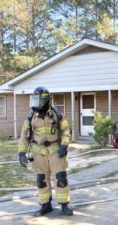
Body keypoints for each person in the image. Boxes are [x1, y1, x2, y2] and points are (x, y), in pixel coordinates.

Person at [18, 86, 73, 216]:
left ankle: (64, 204)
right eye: (34, 99)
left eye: (38, 100)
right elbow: (23, 135)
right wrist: (21, 153)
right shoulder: (31, 116)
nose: (36, 103)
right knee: (41, 180)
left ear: (46, 100)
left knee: (60, 178)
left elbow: (66, 131)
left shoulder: (57, 114)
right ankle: (45, 205)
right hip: (38, 153)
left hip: (55, 151)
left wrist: (64, 145)